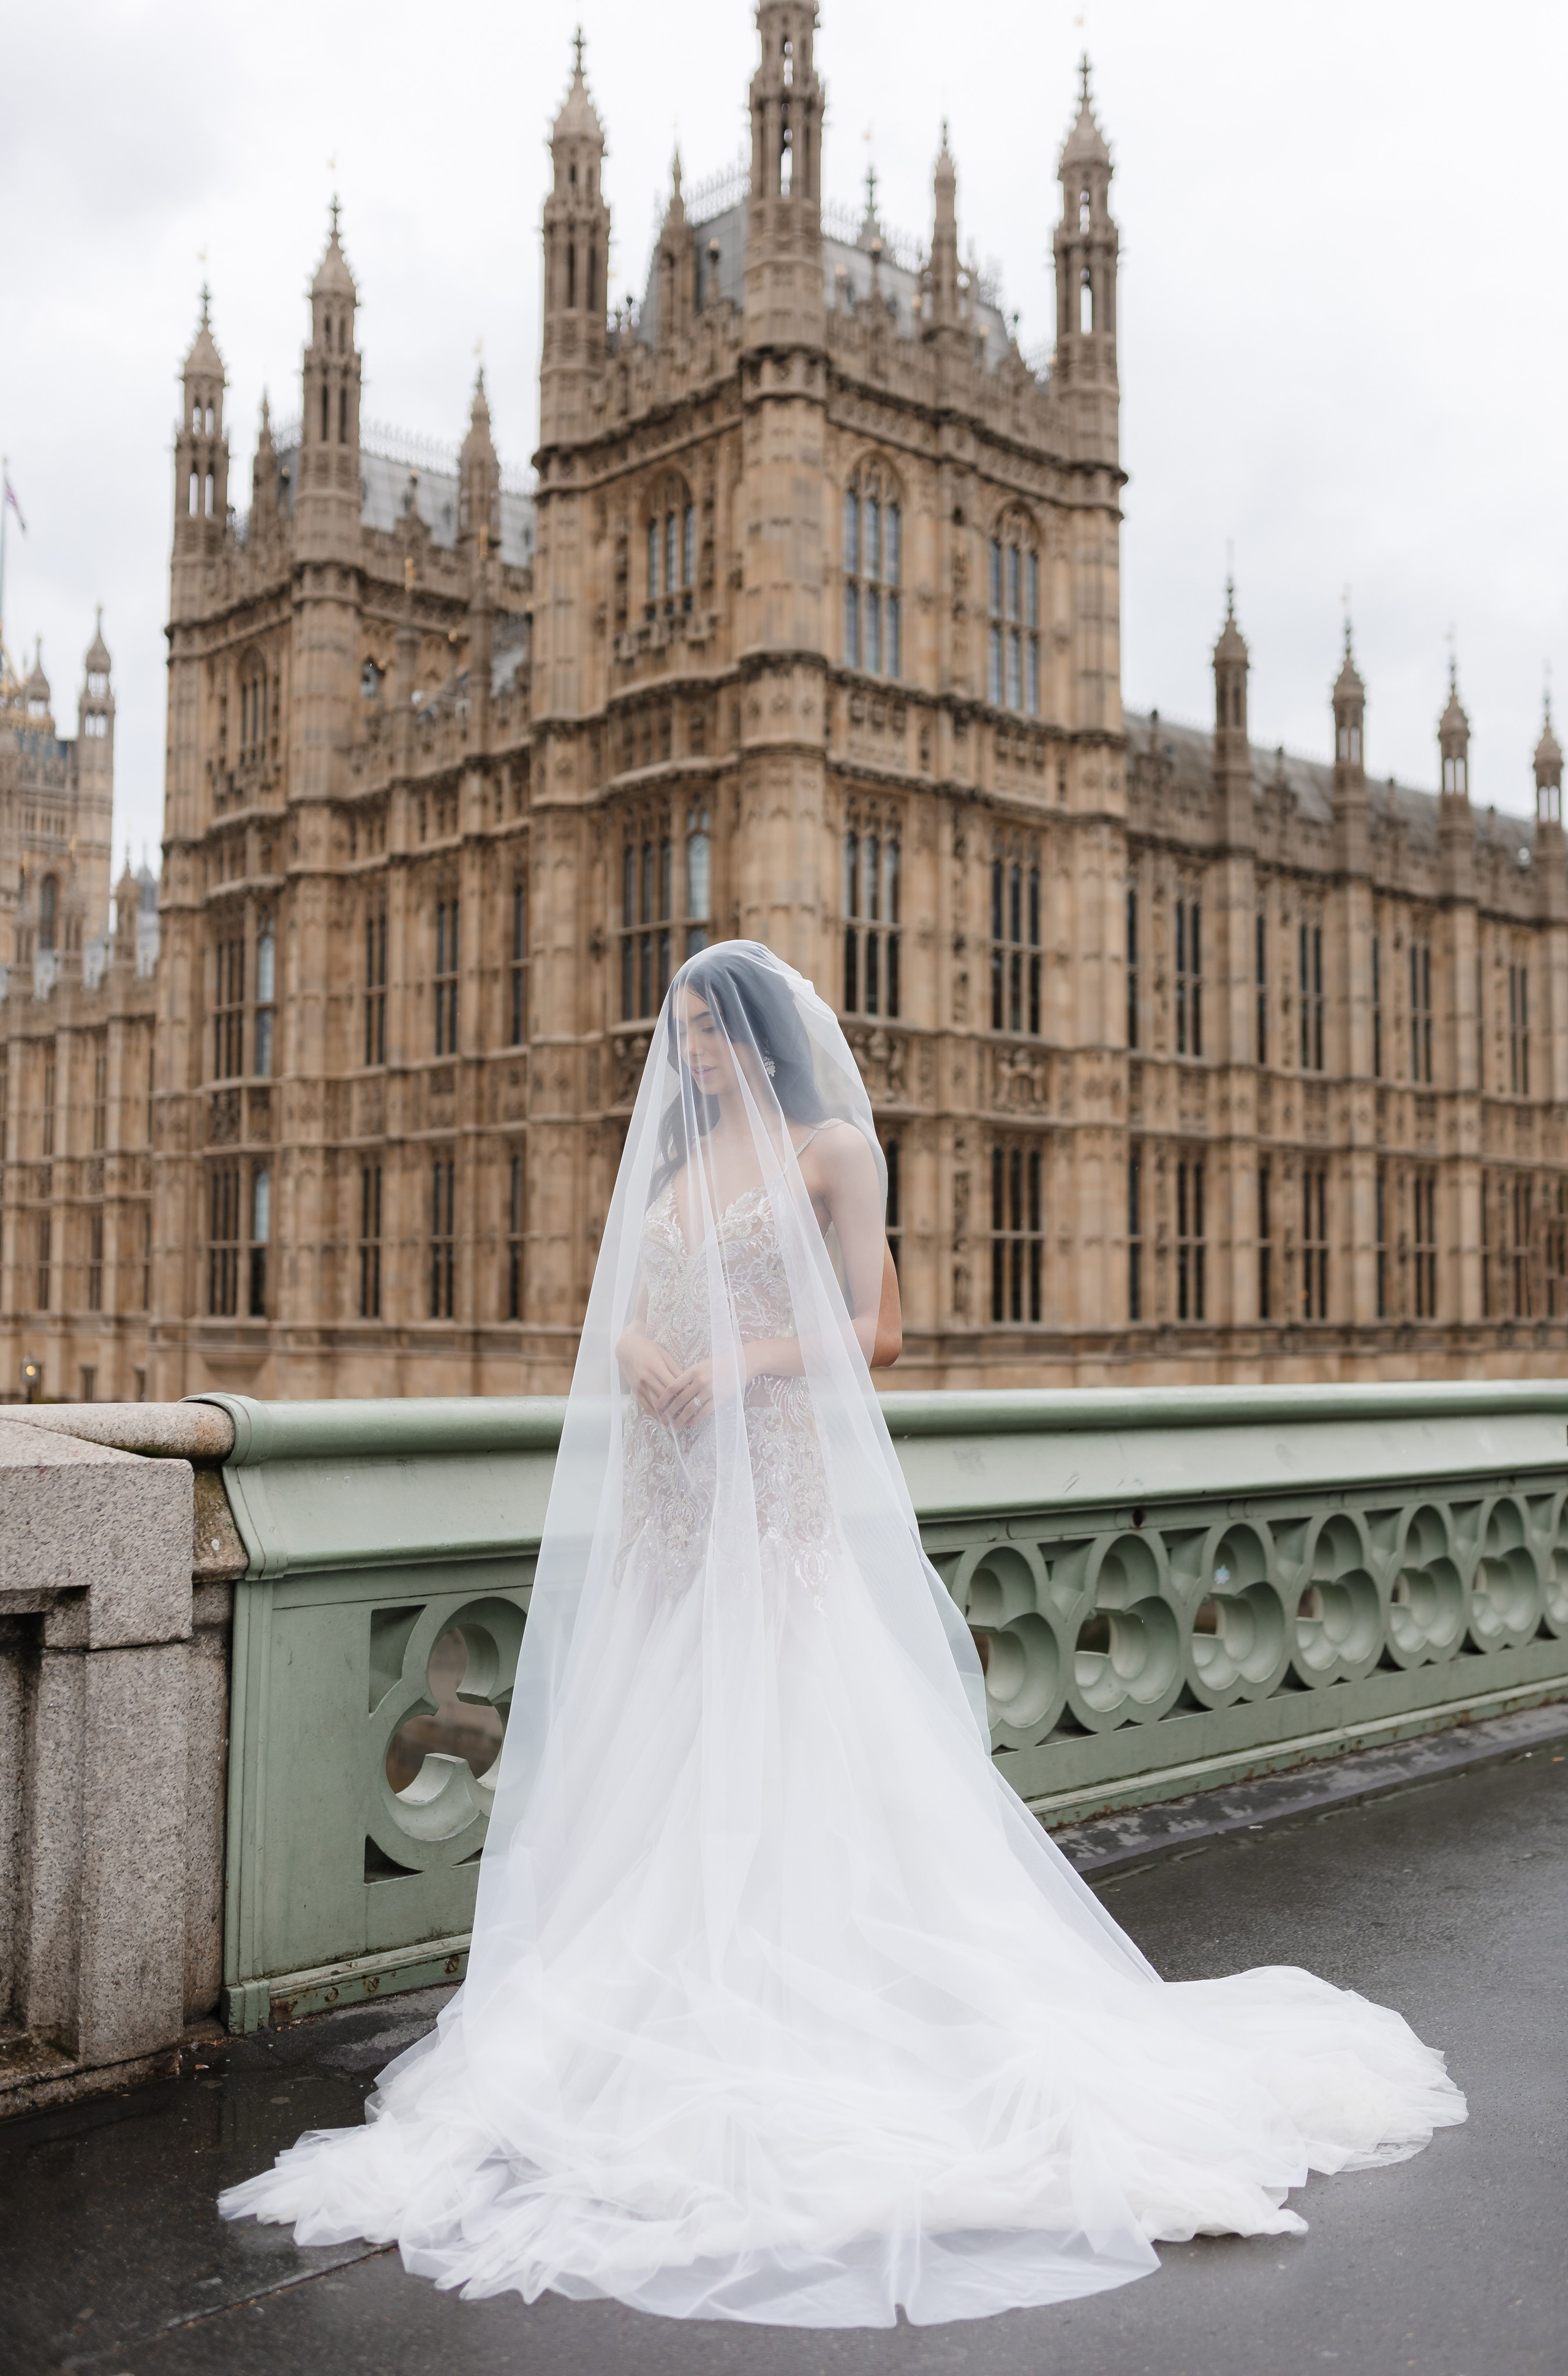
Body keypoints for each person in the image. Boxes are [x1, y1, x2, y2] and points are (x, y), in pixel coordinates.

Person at [220, 941, 1464, 2327]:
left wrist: (746, 1359)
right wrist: (638, 1353)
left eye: (710, 1030)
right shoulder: (678, 1160)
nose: (690, 1052)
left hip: (775, 1498)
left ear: (762, 1035)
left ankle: (801, 2027)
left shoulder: (831, 1151)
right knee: (665, 1765)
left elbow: (880, 1329)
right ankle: (662, 2029)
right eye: (682, 1030)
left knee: (788, 1747)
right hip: (673, 1510)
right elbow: (630, 1309)